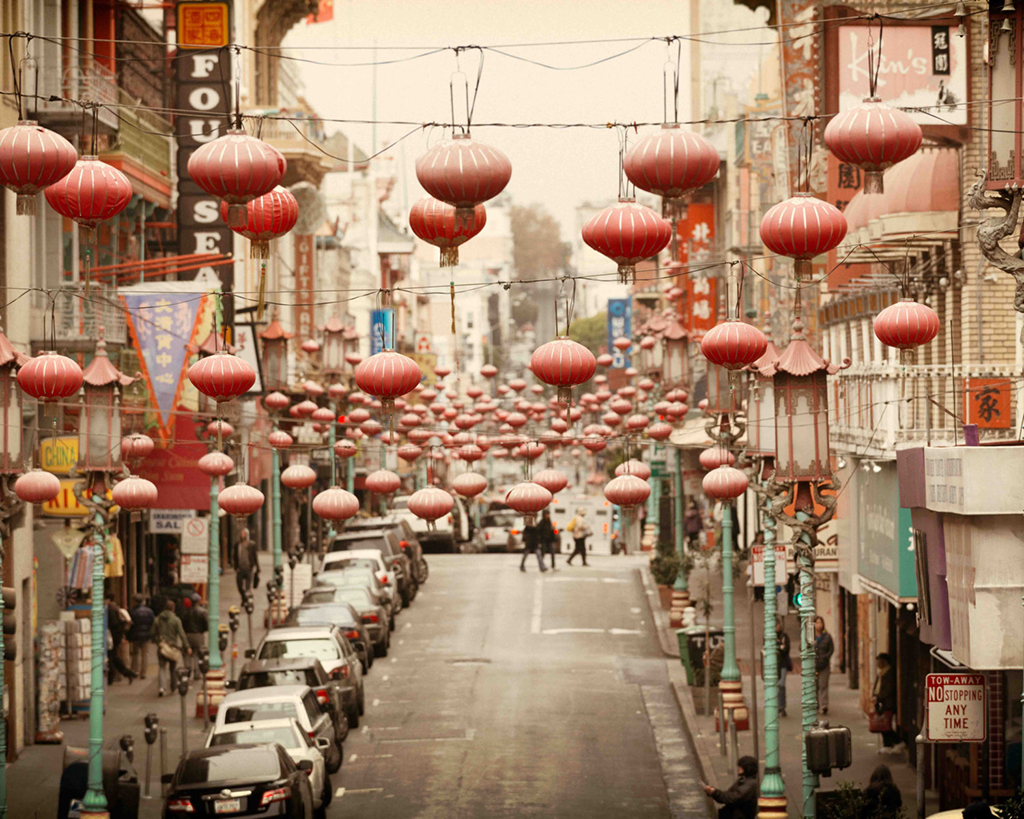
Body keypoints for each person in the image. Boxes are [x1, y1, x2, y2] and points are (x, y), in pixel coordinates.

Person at [153, 599, 190, 697]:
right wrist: (187, 646)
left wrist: (157, 641)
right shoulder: (176, 620)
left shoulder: (158, 619)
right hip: (173, 647)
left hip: (162, 646)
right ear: (173, 609)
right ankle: (173, 687)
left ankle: (162, 687)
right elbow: (182, 634)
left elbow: (153, 632)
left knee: (161, 667)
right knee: (172, 669)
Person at [872, 652, 902, 752]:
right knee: (882, 723)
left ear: (884, 662)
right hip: (880, 701)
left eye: (879, 661)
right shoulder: (881, 672)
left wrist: (879, 697)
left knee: (886, 724)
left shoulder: (889, 673)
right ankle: (887, 744)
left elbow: (889, 689)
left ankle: (896, 741)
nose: (877, 664)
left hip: (887, 702)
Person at [105, 595, 137, 684]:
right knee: (114, 656)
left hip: (112, 637)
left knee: (111, 657)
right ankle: (128, 673)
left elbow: (113, 624)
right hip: (116, 636)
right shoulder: (115, 608)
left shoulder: (110, 609)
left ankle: (111, 677)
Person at [127, 595, 155, 680]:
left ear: (135, 601)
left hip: (135, 635)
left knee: (135, 654)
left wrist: (129, 636)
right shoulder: (149, 611)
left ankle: (135, 671)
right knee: (145, 654)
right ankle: (143, 673)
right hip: (146, 635)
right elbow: (152, 623)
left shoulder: (133, 612)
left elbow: (131, 624)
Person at [182, 593, 208, 676]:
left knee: (187, 654)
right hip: (198, 635)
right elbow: (206, 625)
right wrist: (202, 631)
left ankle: (187, 670)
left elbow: (183, 624)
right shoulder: (202, 612)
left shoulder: (186, 612)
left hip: (188, 635)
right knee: (198, 654)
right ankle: (197, 672)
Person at [814, 615, 834, 714]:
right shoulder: (810, 636)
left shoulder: (826, 636)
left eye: (820, 623)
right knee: (814, 685)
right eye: (817, 623)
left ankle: (824, 705)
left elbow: (831, 648)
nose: (819, 625)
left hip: (824, 664)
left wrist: (826, 657)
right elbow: (802, 647)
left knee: (823, 684)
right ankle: (816, 703)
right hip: (813, 665)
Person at [235, 527, 259, 596]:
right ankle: (244, 597)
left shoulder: (251, 545)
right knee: (239, 586)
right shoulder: (238, 545)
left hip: (248, 568)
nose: (242, 535)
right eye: (241, 534)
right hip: (240, 569)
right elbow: (235, 556)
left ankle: (247, 600)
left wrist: (257, 567)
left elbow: (255, 556)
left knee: (248, 587)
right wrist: (236, 567)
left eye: (244, 534)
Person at [776, 617, 792, 717]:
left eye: (777, 625)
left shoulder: (784, 636)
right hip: (774, 665)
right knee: (775, 686)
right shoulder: (768, 636)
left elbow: (786, 649)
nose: (776, 627)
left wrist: (779, 647)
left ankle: (781, 707)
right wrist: (780, 646)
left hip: (782, 663)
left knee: (781, 685)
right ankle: (776, 706)